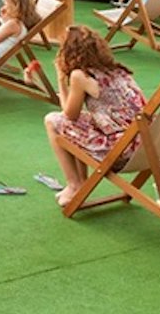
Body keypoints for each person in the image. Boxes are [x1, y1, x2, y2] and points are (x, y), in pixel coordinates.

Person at [43, 25, 148, 209]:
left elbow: (69, 115)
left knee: (52, 121)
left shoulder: (81, 75)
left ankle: (74, 184)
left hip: (121, 150)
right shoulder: (117, 70)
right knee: (82, 123)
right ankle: (80, 184)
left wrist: (61, 79)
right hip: (146, 144)